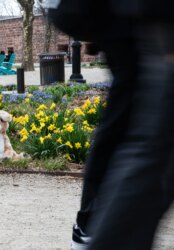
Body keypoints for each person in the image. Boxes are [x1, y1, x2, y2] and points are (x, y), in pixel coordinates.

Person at [49, 0, 174, 249]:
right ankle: (91, 226)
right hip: (135, 15)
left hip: (129, 16)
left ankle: (90, 225)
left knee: (140, 134)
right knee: (150, 148)